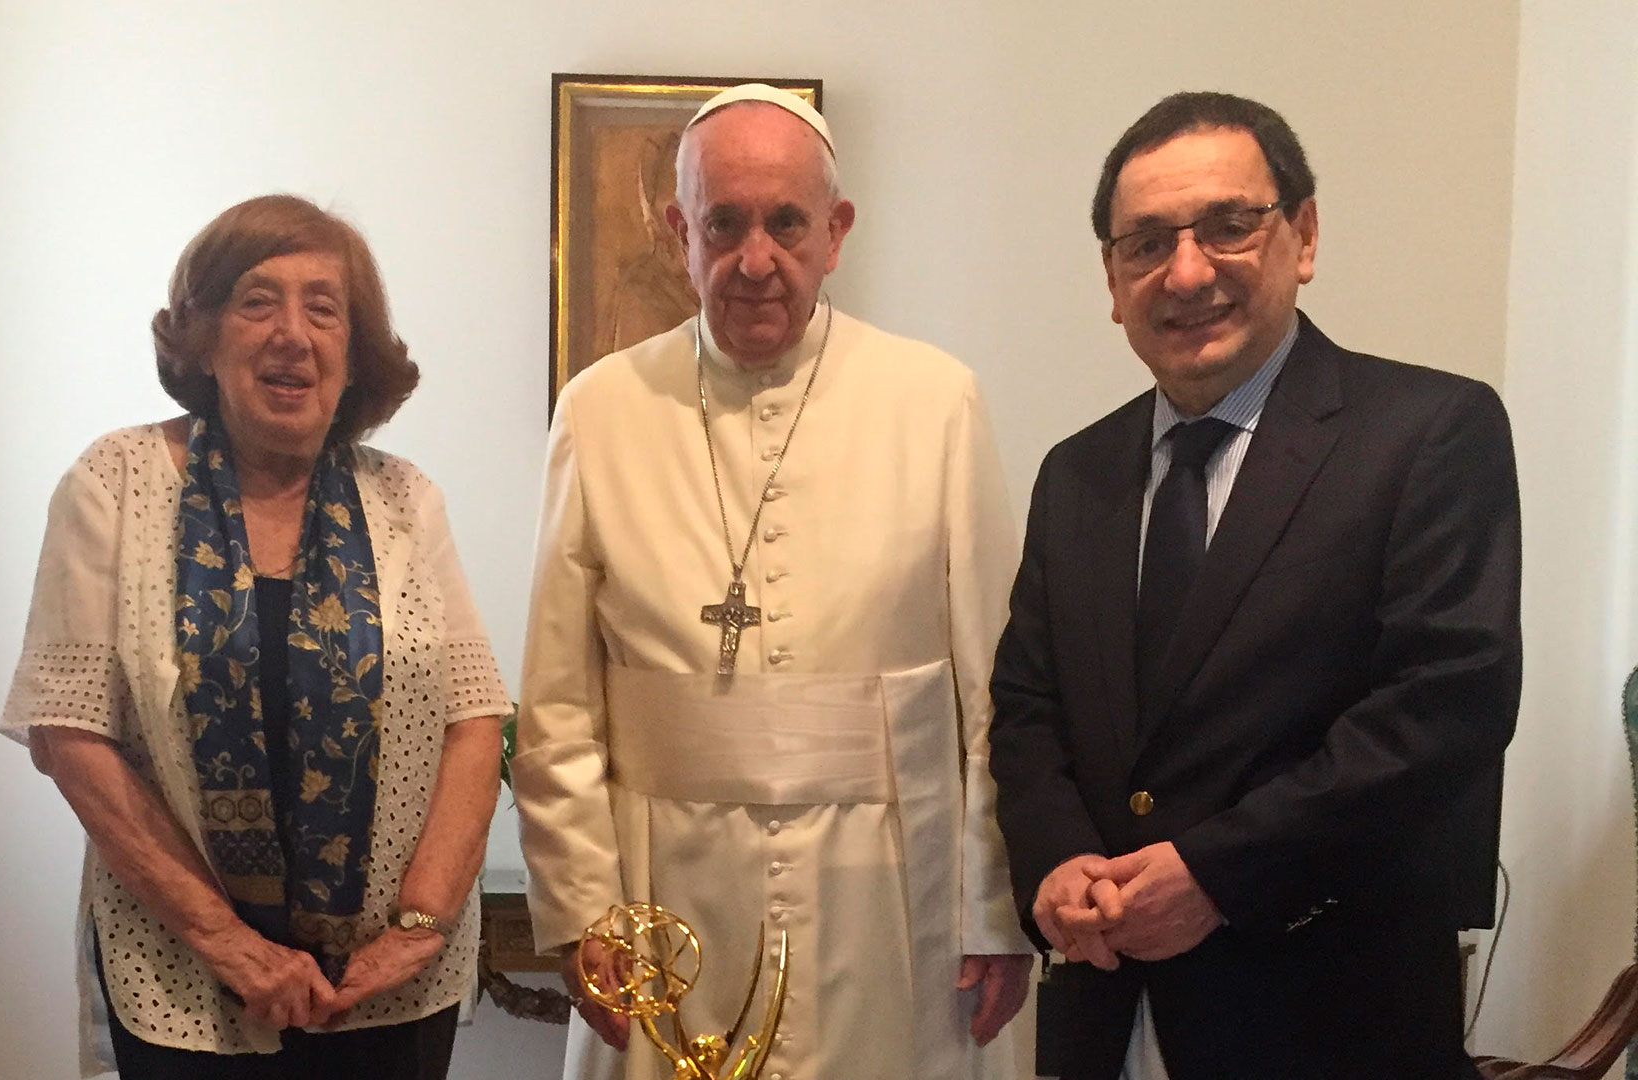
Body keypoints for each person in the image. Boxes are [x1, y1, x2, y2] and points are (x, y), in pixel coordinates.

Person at [988, 92, 1521, 1079]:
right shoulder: (1077, 473)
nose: (1186, 271)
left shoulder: (1427, 433)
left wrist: (1216, 875)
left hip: (1329, 1021)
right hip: (1106, 1013)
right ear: (1112, 280)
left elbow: (1446, 706)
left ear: (1304, 234)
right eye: (1145, 244)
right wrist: (1057, 863)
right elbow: (1028, 707)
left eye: (1229, 226)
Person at [513, 84, 1034, 1080]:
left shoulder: (935, 402)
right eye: (725, 224)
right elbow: (559, 705)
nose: (757, 259)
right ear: (680, 234)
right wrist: (583, 910)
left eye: (787, 223)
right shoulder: (601, 410)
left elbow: (994, 686)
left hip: (891, 895)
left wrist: (993, 908)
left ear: (835, 233)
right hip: (666, 897)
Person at [0, 194, 508, 1080]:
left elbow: (474, 717)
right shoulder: (113, 486)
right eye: (256, 300)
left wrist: (417, 928)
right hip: (190, 981)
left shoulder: (405, 500)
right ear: (200, 337)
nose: (292, 333)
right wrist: (227, 943)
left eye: (324, 306)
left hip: (385, 988)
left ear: (355, 351)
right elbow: (69, 732)